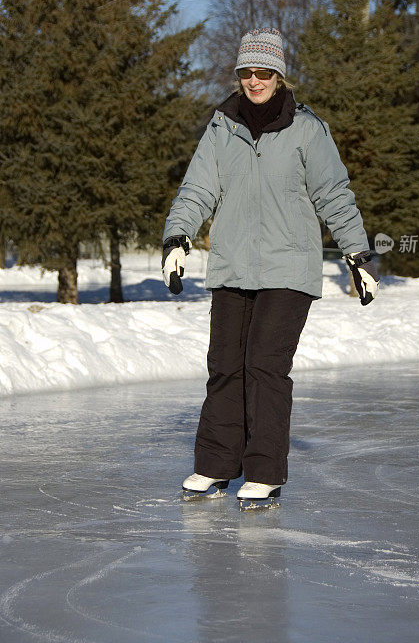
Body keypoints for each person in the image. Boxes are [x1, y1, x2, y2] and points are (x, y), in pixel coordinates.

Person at [162, 27, 379, 509]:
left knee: (264, 365)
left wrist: (357, 255)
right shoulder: (222, 126)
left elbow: (334, 196)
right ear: (238, 75)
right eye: (246, 72)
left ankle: (264, 472)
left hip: (288, 268)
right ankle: (217, 464)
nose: (254, 81)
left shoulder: (307, 128)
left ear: (279, 75)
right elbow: (197, 189)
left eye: (263, 72)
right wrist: (177, 234)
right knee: (224, 366)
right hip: (233, 265)